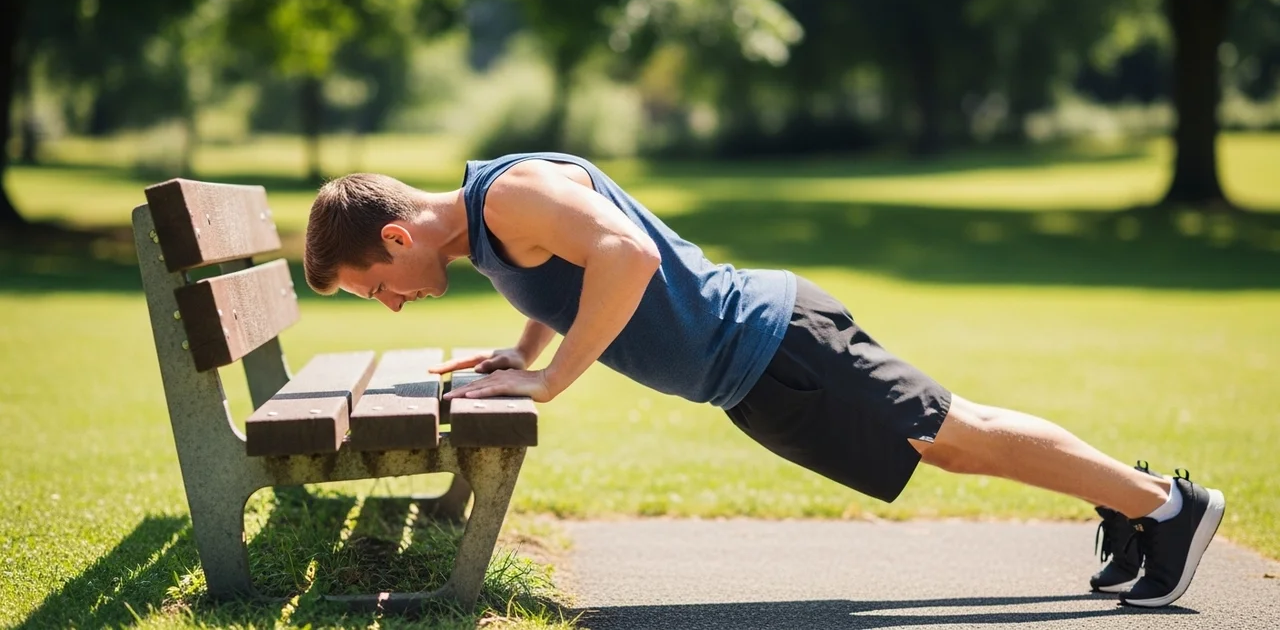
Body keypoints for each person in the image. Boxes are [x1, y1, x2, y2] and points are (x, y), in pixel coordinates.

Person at [302, 151, 1224, 608]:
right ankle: (1133, 503)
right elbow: (576, 266)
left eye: (376, 288)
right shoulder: (493, 216)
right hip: (758, 373)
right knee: (952, 442)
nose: (390, 304)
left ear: (395, 238)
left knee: (957, 437)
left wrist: (554, 384)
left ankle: (1165, 507)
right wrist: (528, 351)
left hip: (777, 346)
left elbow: (624, 254)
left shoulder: (506, 197)